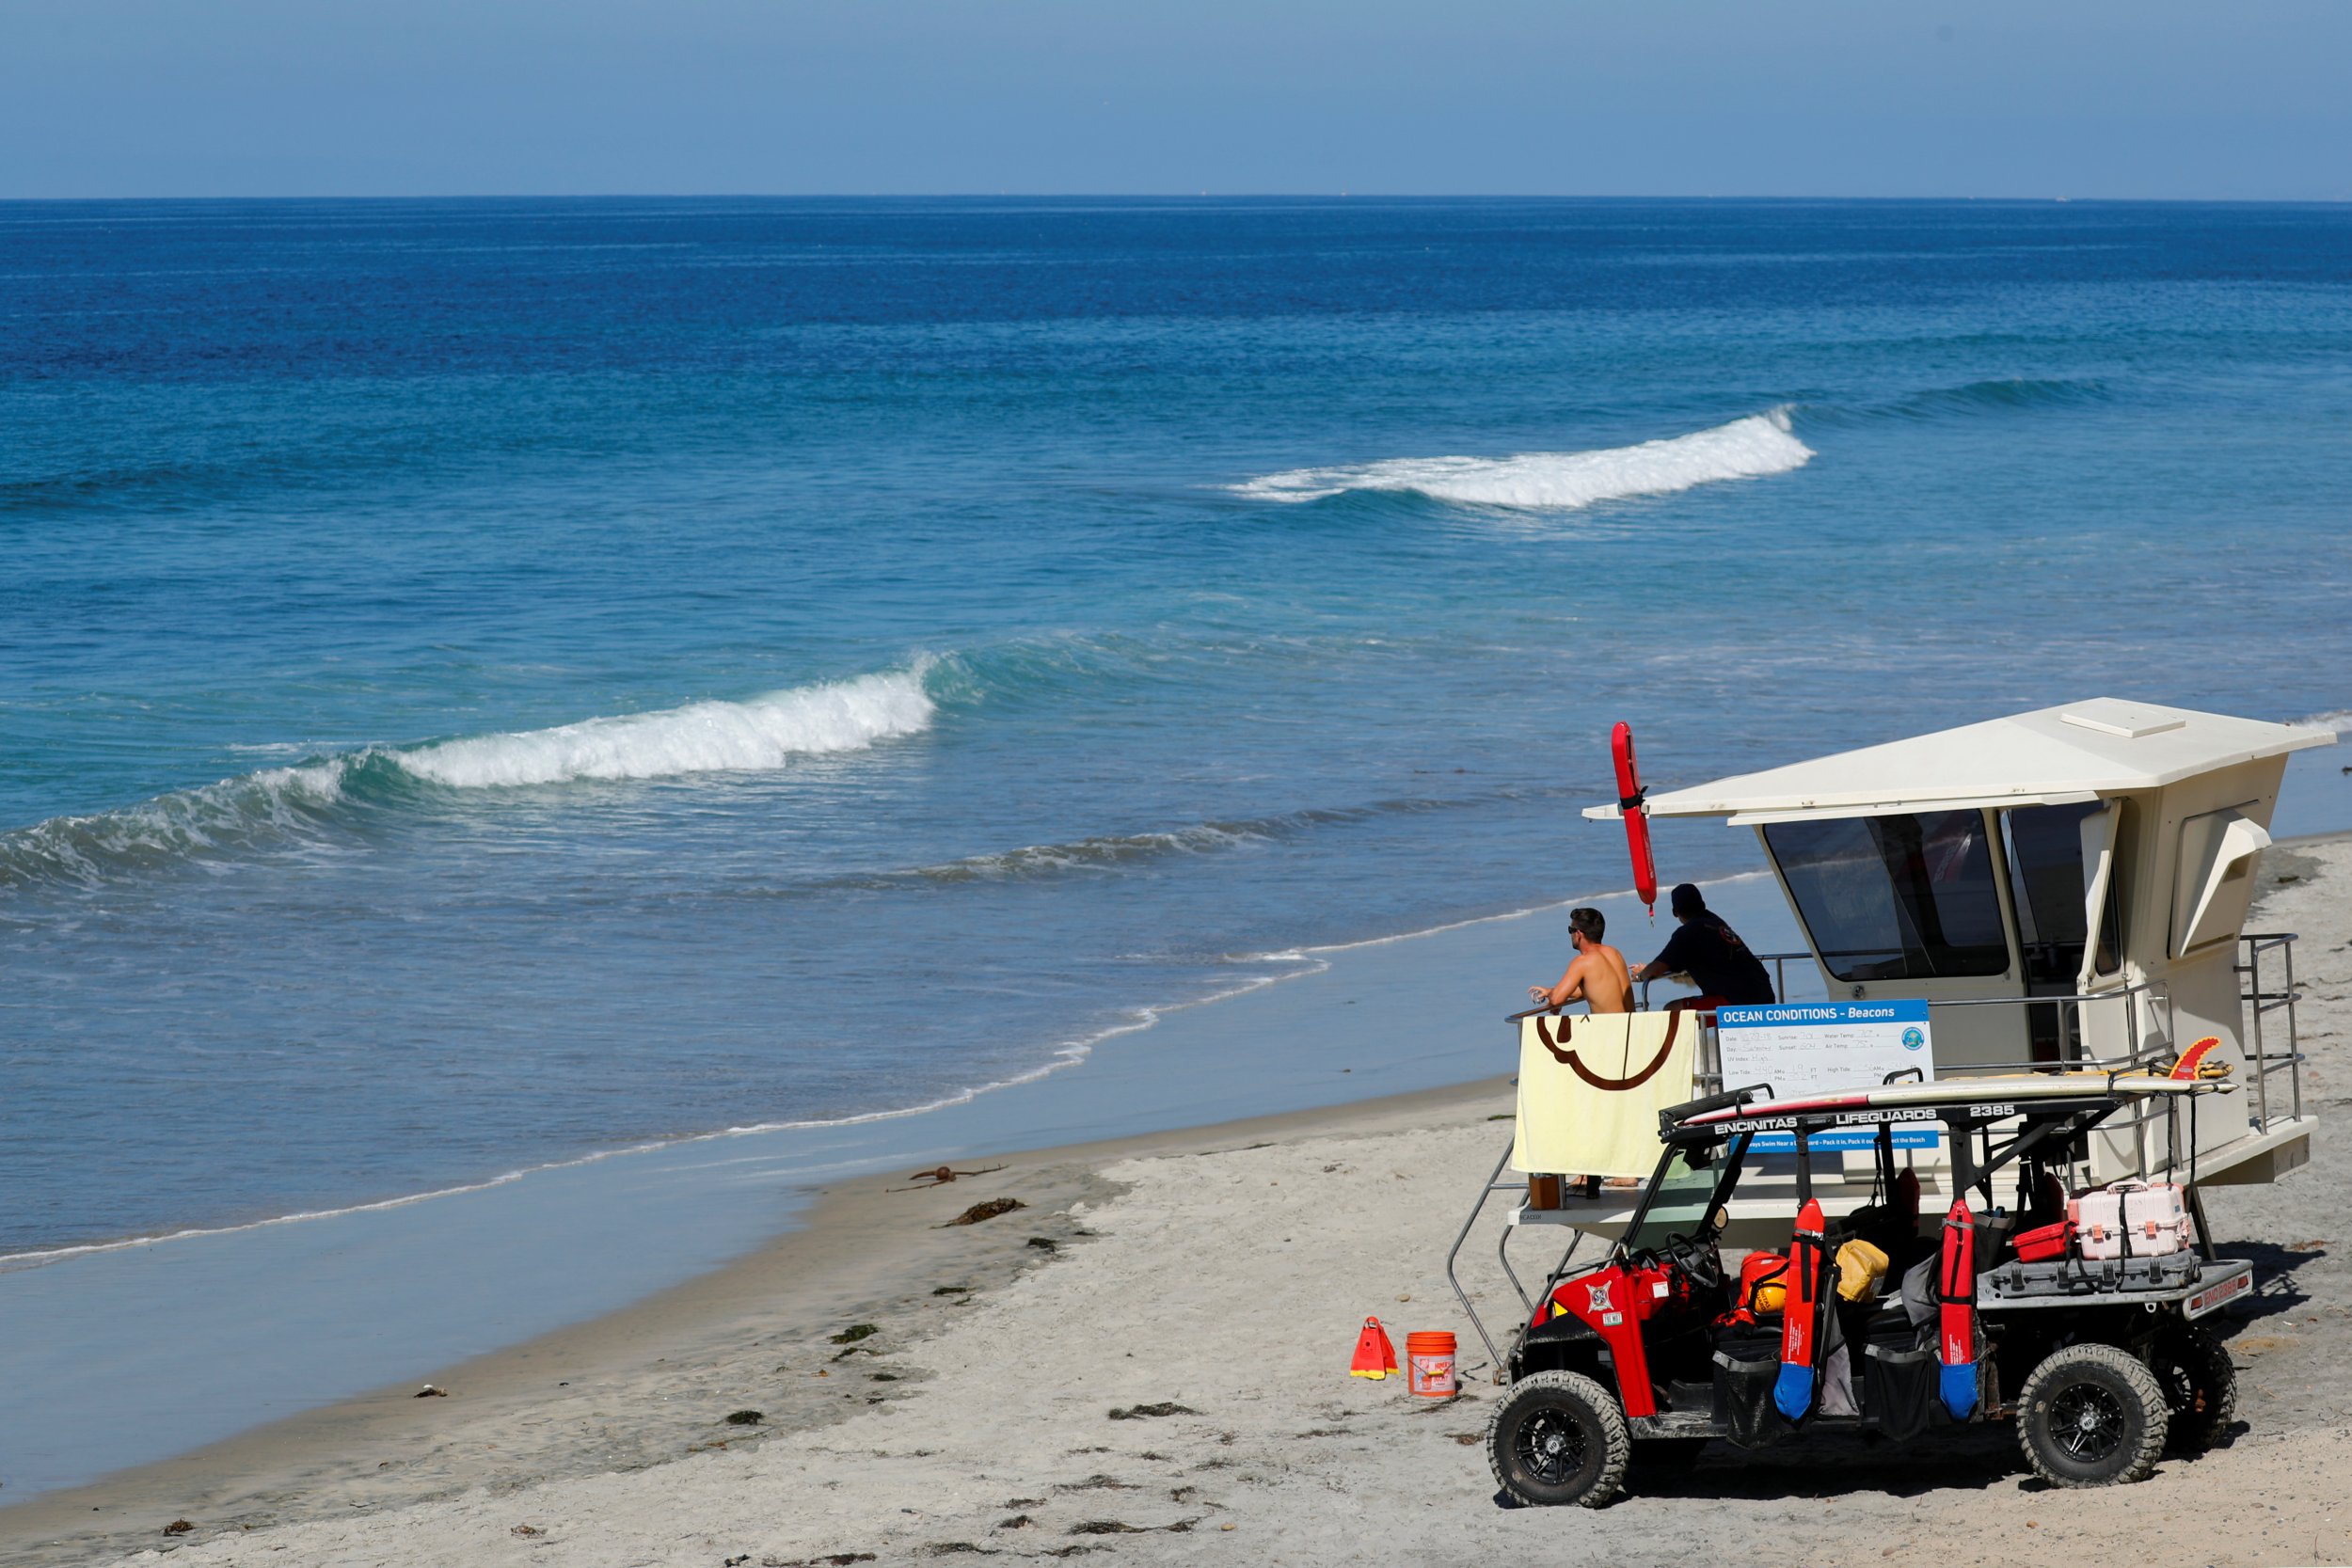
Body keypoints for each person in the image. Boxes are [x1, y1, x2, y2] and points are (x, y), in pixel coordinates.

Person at [1630, 883, 1776, 1007]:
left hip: (1736, 1001)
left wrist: (1640, 975)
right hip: (1764, 994)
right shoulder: (1715, 921)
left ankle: (1674, 1043)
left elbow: (1657, 968)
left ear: (1675, 912)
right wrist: (1650, 969)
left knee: (1672, 1009)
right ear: (1703, 905)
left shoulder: (1689, 932)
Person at [1530, 907, 1634, 1014]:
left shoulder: (1583, 962)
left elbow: (1556, 999)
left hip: (1609, 1028)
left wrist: (1555, 995)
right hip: (1632, 1026)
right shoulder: (1615, 953)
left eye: (1571, 930)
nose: (1570, 934)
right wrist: (1550, 991)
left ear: (1578, 934)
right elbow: (1597, 988)